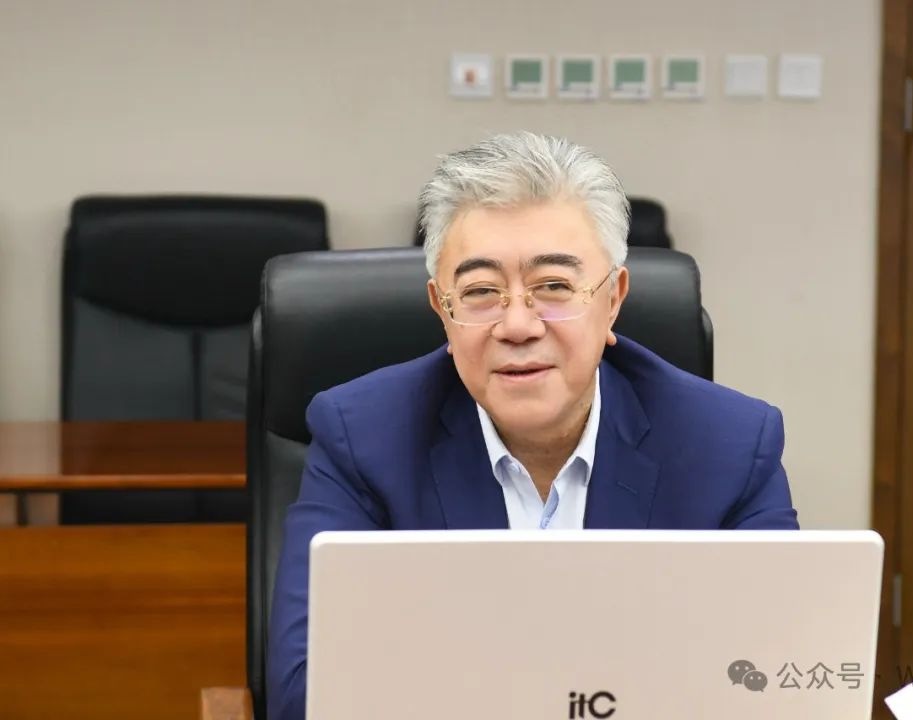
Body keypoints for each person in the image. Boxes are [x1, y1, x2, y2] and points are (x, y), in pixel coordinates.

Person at [267, 131, 799, 720]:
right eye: (480, 292)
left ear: (613, 299)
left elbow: (778, 682)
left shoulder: (731, 446)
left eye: (553, 287)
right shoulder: (363, 438)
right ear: (442, 309)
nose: (518, 326)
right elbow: (305, 693)